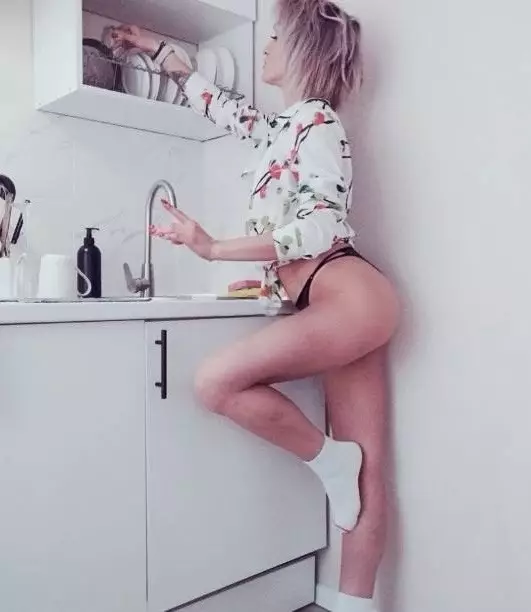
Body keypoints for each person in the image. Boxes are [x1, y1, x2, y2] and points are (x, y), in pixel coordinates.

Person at [112, 1, 399, 610]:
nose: (265, 47)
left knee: (215, 382)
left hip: (345, 292)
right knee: (367, 477)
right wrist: (155, 50)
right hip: (345, 300)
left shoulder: (317, 120)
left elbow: (321, 225)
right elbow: (219, 105)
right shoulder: (283, 129)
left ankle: (328, 461)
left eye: (274, 37)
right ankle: (352, 597)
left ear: (300, 50)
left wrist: (215, 248)